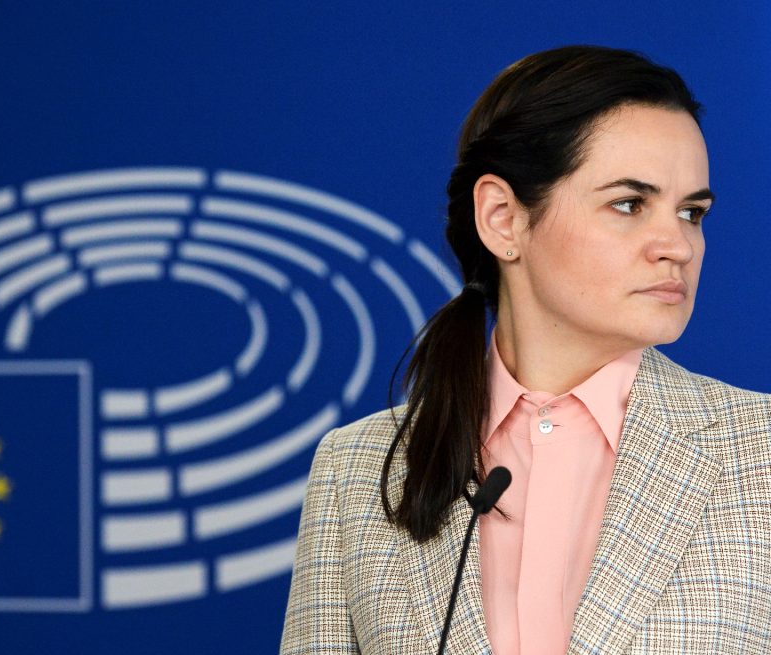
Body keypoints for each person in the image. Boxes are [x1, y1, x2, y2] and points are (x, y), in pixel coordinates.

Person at [280, 45, 771, 654]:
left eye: (692, 212)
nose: (678, 245)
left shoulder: (759, 453)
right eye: (629, 203)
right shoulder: (356, 470)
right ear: (504, 219)